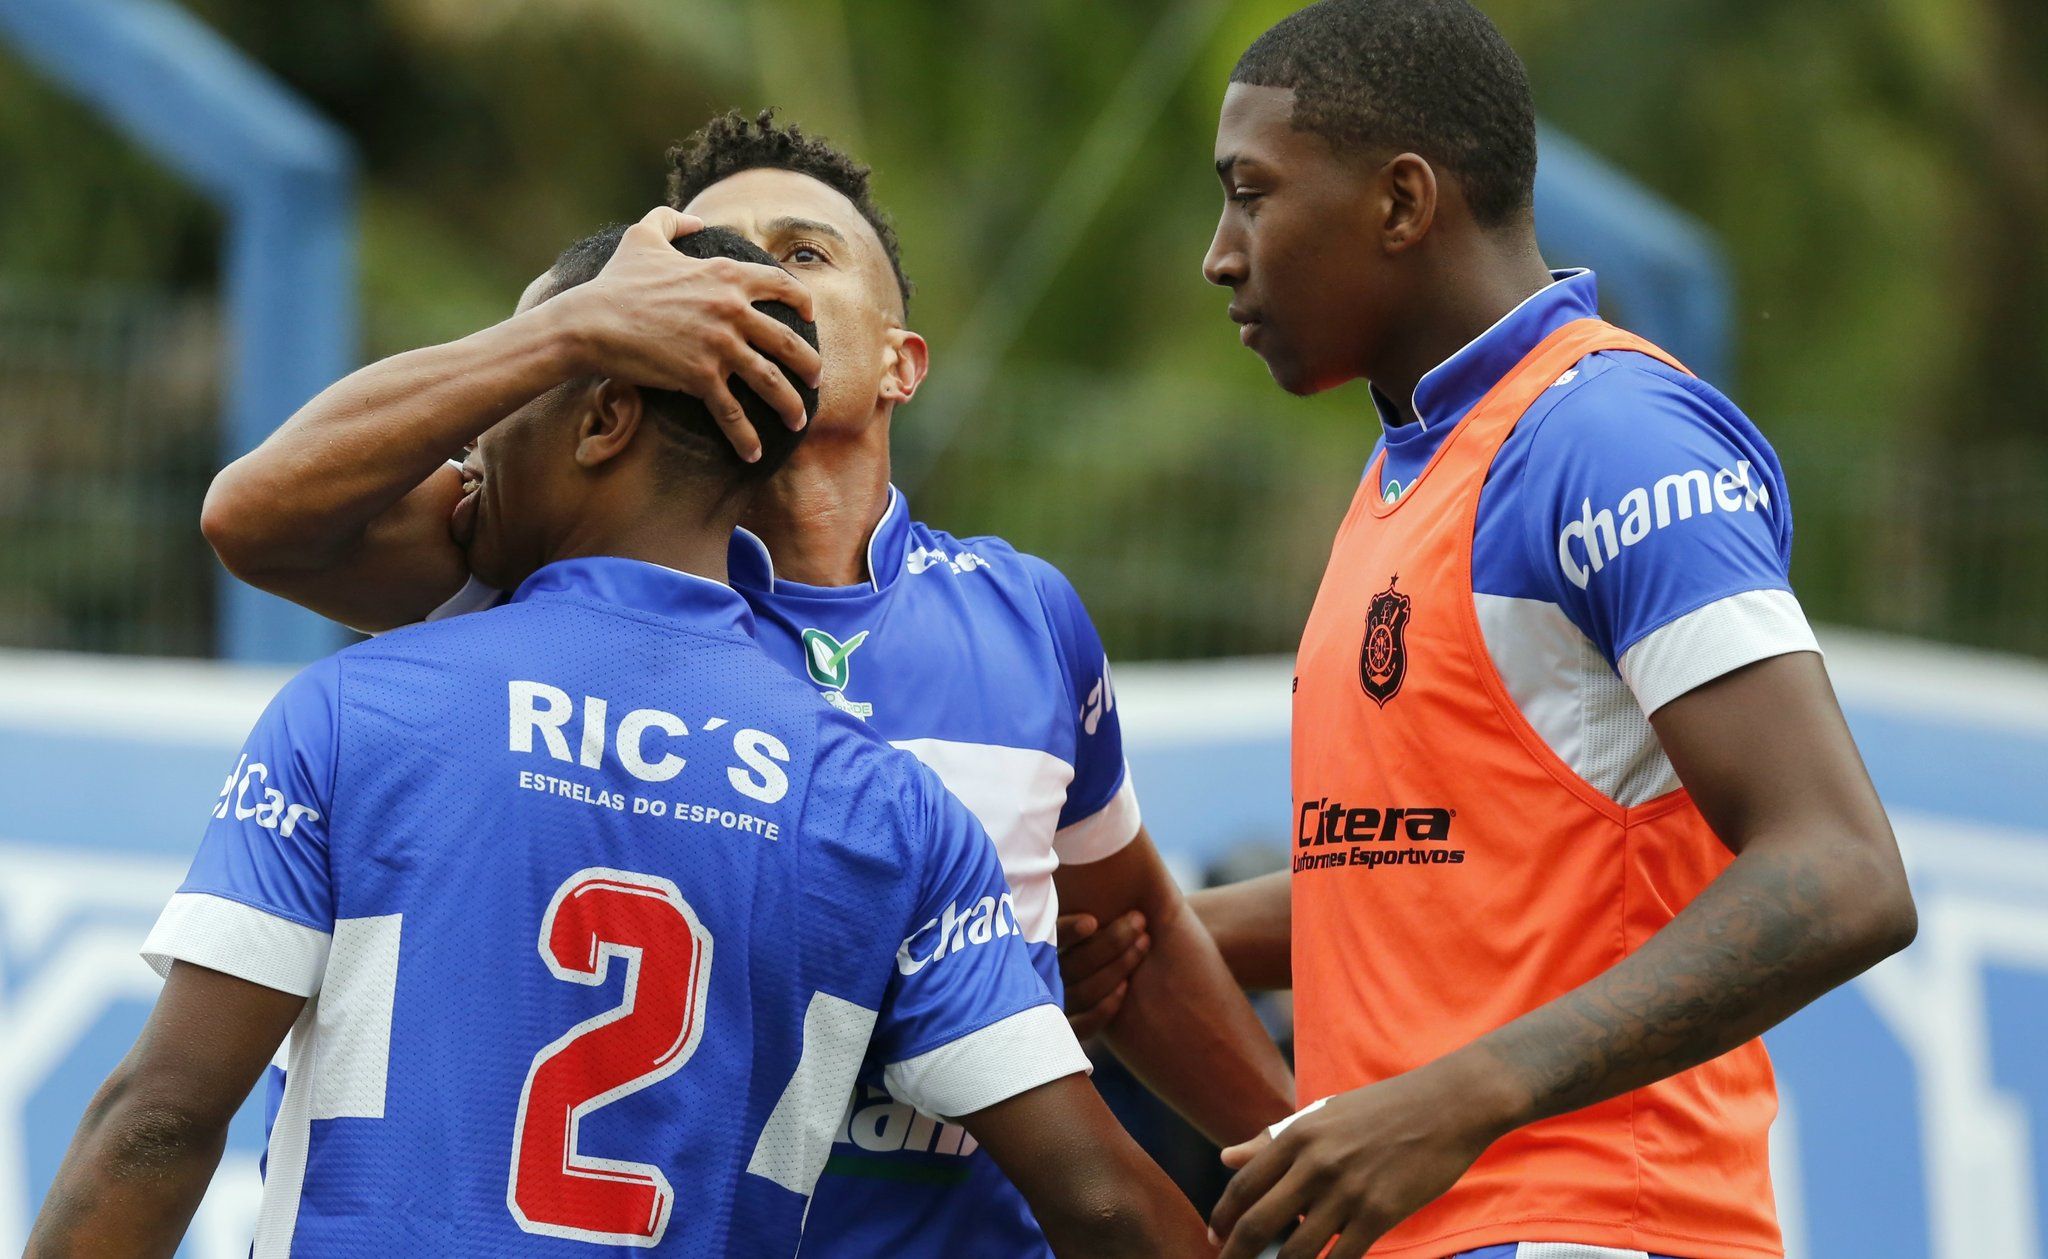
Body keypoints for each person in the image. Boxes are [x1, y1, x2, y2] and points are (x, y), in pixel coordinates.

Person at [197, 111, 1293, 1256]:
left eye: (802, 255)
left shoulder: (1021, 615)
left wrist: (1314, 1168)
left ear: (896, 363)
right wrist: (570, 330)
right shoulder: (560, 562)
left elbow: (1137, 931)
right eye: (700, 260)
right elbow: (256, 517)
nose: (743, 283)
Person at [1064, 2, 1919, 1257]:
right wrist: (1132, 929)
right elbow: (1427, 877)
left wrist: (1458, 1095)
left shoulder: (1605, 432)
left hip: (1596, 1223)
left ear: (1401, 203)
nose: (1219, 253)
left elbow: (1842, 869)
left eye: (1250, 194)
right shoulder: (1417, 458)